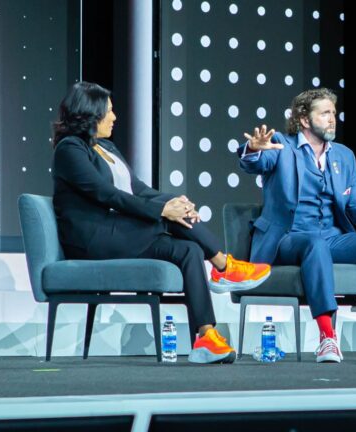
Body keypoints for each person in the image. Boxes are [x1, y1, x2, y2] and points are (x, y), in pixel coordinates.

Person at [52, 82, 271, 364]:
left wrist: (174, 201)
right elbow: (107, 194)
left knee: (188, 250)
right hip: (92, 238)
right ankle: (223, 266)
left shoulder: (105, 146)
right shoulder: (70, 150)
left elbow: (138, 189)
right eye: (109, 111)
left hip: (119, 232)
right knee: (171, 219)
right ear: (90, 114)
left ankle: (206, 336)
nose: (115, 117)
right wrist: (164, 211)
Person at [238, 88, 356, 363]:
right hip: (290, 237)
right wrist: (253, 149)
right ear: (304, 119)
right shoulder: (281, 145)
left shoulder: (344, 156)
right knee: (315, 245)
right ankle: (327, 338)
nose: (332, 119)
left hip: (332, 236)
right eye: (324, 113)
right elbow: (255, 162)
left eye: (333, 114)